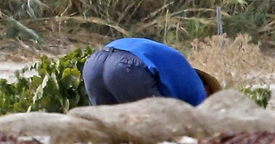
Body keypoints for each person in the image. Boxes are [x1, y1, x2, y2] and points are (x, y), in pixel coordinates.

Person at [82, 38, 222, 107]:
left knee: (106, 127)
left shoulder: (178, 74)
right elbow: (197, 121)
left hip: (94, 62)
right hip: (128, 66)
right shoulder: (198, 89)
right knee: (155, 127)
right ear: (207, 89)